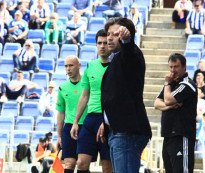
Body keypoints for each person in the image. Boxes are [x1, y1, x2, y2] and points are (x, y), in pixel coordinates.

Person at [97, 17, 151, 173]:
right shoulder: (115, 60)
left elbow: (130, 53)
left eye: (115, 34)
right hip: (117, 132)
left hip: (127, 133)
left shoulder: (131, 55)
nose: (110, 38)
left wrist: (127, 41)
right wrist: (105, 121)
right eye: (108, 34)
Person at [70, 29, 112, 173]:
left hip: (108, 119)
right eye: (99, 43)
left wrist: (108, 120)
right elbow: (84, 95)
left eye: (105, 43)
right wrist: (76, 121)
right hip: (90, 118)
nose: (102, 46)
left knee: (107, 167)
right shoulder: (90, 66)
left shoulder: (117, 66)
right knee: (81, 163)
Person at [154, 53, 197, 173]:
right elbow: (157, 103)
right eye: (171, 67)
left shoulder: (187, 84)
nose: (173, 71)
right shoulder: (171, 84)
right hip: (168, 135)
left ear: (184, 67)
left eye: (176, 67)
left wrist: (167, 84)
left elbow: (167, 99)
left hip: (181, 135)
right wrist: (170, 107)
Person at [56, 55, 88, 173]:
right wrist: (59, 136)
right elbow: (60, 113)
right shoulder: (63, 88)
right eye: (66, 66)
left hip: (86, 127)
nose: (68, 69)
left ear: (79, 66)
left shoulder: (87, 82)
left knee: (82, 163)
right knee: (69, 163)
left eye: (71, 65)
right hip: (69, 127)